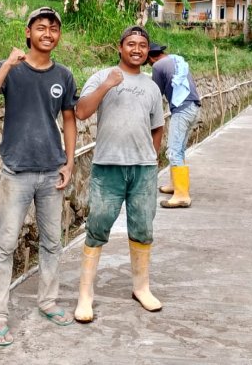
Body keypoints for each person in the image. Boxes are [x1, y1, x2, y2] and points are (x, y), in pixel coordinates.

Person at [0, 6, 77, 347]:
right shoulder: (12, 71)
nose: (48, 34)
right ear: (28, 32)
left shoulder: (63, 75)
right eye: (41, 27)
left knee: (51, 242)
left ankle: (47, 301)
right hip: (16, 172)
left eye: (53, 29)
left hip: (51, 172)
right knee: (5, 245)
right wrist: (5, 64)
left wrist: (70, 163)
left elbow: (70, 120)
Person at [73, 25, 165, 323]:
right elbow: (81, 112)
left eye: (142, 45)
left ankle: (142, 287)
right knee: (98, 226)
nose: (136, 49)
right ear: (120, 47)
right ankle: (85, 295)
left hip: (143, 170)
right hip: (107, 166)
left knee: (143, 228)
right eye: (131, 44)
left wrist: (150, 156)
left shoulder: (152, 86)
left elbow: (157, 126)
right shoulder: (102, 76)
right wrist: (107, 86)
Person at [147, 43, 201, 208]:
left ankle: (182, 195)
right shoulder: (176, 60)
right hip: (194, 107)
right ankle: (175, 185)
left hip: (182, 110)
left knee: (173, 151)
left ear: (151, 57)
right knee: (179, 149)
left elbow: (155, 93)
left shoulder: (157, 65)